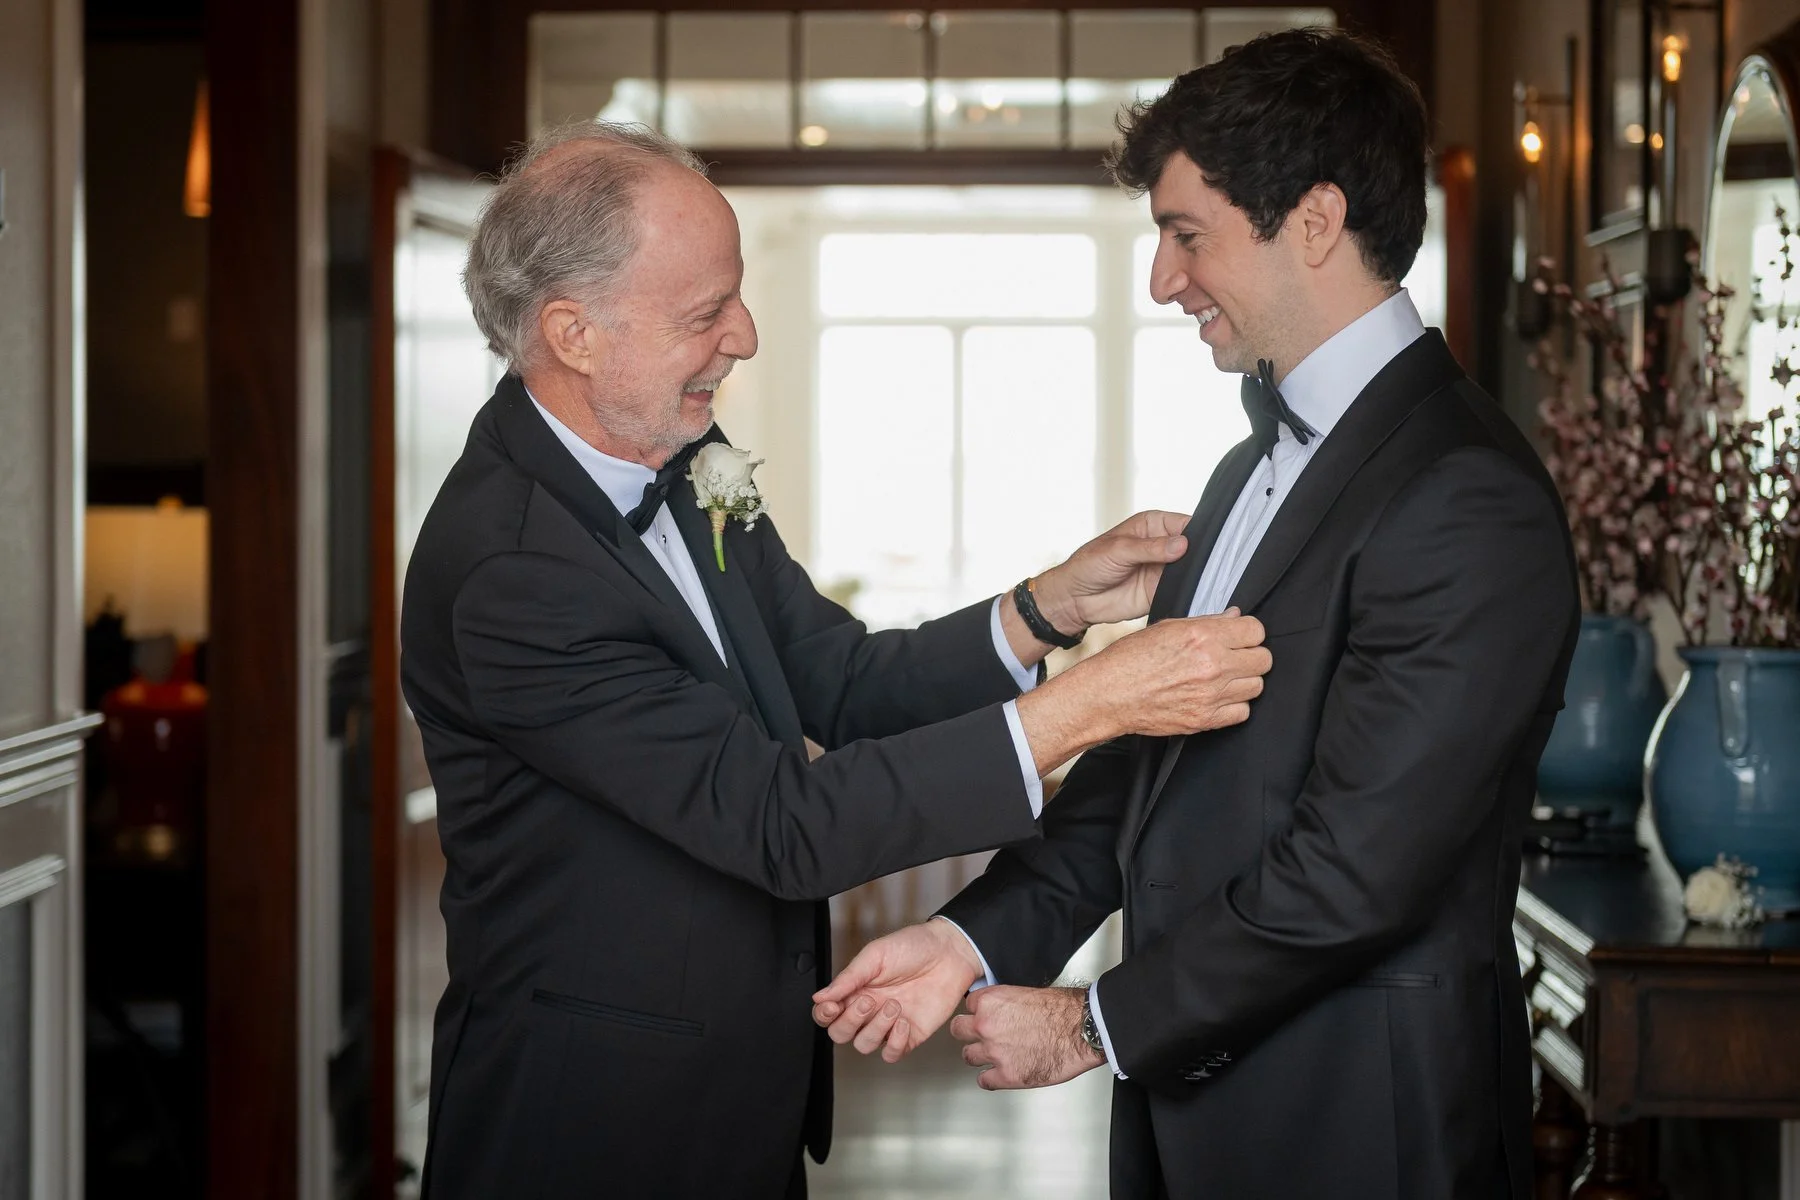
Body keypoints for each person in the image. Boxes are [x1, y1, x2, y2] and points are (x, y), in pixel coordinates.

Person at [398, 121, 1274, 1199]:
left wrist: (1044, 612)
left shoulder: (694, 456)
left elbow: (838, 678)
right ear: (574, 333)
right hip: (590, 1125)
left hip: (744, 1098)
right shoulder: (512, 573)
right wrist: (1091, 706)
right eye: (706, 312)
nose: (747, 337)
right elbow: (785, 823)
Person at [814, 27, 1580, 1200]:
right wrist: (968, 940)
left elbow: (1356, 870)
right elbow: (1147, 777)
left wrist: (1088, 1026)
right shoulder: (1245, 470)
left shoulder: (1467, 496)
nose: (1164, 281)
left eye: (1186, 235)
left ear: (1314, 223)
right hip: (1196, 1109)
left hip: (1354, 1126)